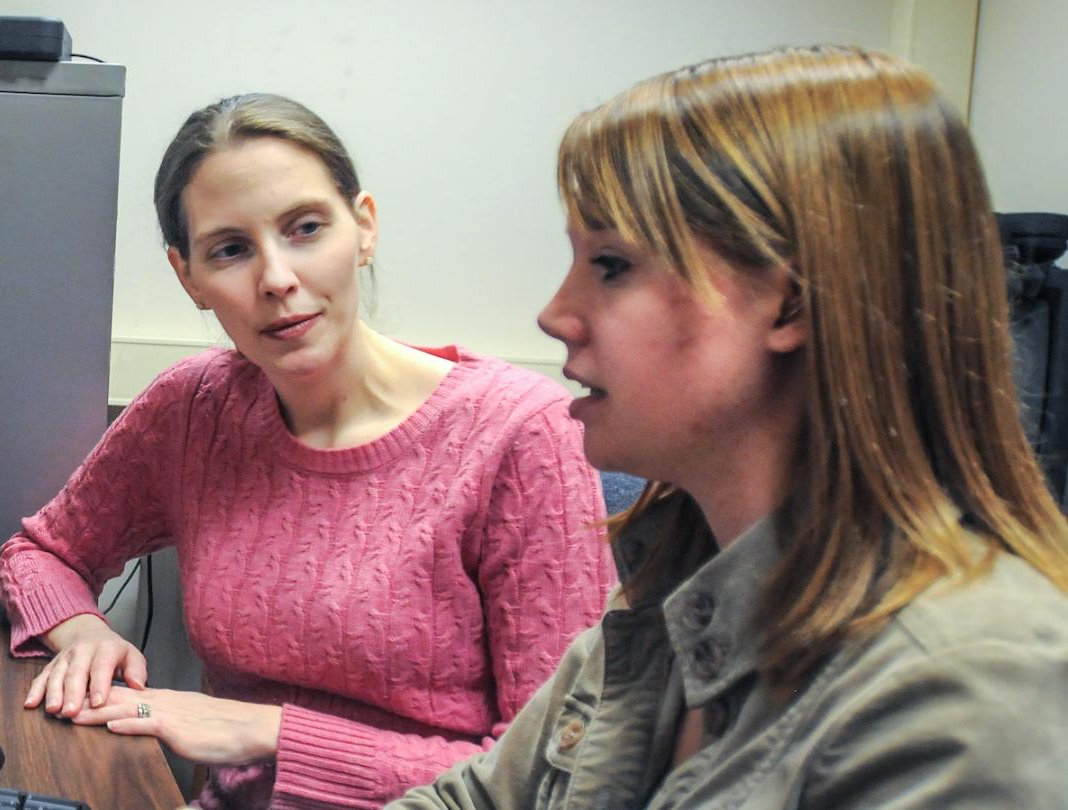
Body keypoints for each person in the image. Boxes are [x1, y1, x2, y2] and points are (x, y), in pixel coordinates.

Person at [391, 45, 1068, 808]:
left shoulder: (965, 686)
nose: (555, 315)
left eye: (612, 264)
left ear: (793, 303)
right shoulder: (676, 584)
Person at [0, 93, 616, 809]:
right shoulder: (197, 407)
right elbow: (43, 552)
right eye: (230, 249)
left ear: (364, 228)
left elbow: (552, 779)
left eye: (305, 229)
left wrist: (271, 734)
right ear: (186, 275)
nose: (276, 279)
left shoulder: (523, 435)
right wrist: (82, 635)